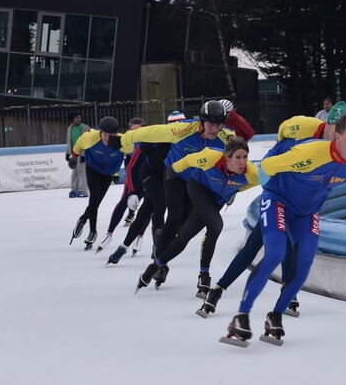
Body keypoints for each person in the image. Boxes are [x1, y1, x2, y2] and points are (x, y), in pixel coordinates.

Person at [222, 113, 346, 346]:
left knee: (305, 263)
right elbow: (267, 165)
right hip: (278, 201)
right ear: (338, 137)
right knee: (276, 253)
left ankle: (275, 315)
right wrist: (274, 191)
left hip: (306, 213)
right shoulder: (309, 153)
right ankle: (241, 316)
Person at [198, 113, 336, 316]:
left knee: (263, 246)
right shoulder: (298, 142)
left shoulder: (331, 151)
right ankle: (219, 290)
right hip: (277, 199)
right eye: (336, 130)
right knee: (264, 247)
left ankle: (219, 290)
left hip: (296, 204)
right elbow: (267, 166)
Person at [107, 100, 241, 288]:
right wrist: (121, 140)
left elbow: (239, 161)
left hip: (197, 181)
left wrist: (232, 188)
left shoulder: (228, 137)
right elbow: (148, 132)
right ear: (202, 121)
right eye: (211, 123)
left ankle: (159, 256)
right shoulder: (183, 129)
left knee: (184, 225)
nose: (215, 129)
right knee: (175, 217)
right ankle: (160, 264)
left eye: (219, 124)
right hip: (174, 175)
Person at [136, 136, 259, 293]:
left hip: (217, 200)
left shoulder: (251, 173)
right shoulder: (210, 157)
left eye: (245, 157)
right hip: (198, 188)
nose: (242, 162)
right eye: (237, 157)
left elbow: (261, 181)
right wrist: (173, 170)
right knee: (216, 225)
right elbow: (188, 160)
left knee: (184, 236)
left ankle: (155, 266)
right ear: (226, 157)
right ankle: (204, 275)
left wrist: (234, 190)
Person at [106, 111, 187, 265]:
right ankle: (158, 245)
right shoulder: (155, 138)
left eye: (181, 125)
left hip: (166, 178)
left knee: (145, 211)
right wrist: (132, 192)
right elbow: (132, 167)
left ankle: (123, 247)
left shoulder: (189, 142)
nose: (177, 129)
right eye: (173, 126)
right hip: (149, 174)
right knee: (160, 204)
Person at [69, 117, 132, 250]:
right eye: (104, 134)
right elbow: (78, 146)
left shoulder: (123, 141)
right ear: (100, 131)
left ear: (116, 134)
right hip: (93, 168)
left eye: (110, 135)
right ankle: (93, 232)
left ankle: (82, 219)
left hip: (108, 172)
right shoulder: (90, 137)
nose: (106, 138)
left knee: (97, 201)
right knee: (94, 198)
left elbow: (133, 153)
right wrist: (74, 157)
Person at [95, 118, 145, 252]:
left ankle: (140, 236)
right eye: (133, 130)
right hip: (133, 174)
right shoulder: (127, 141)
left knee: (148, 206)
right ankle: (109, 234)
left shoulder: (149, 141)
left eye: (138, 130)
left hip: (147, 175)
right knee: (123, 201)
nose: (136, 133)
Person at [65, 112, 90, 198]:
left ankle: (83, 191)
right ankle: (74, 190)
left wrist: (84, 154)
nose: (79, 119)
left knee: (82, 172)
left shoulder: (84, 127)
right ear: (72, 119)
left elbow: (87, 141)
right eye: (77, 118)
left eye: (80, 117)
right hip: (74, 154)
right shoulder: (70, 128)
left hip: (82, 153)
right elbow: (69, 141)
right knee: (74, 172)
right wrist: (68, 153)